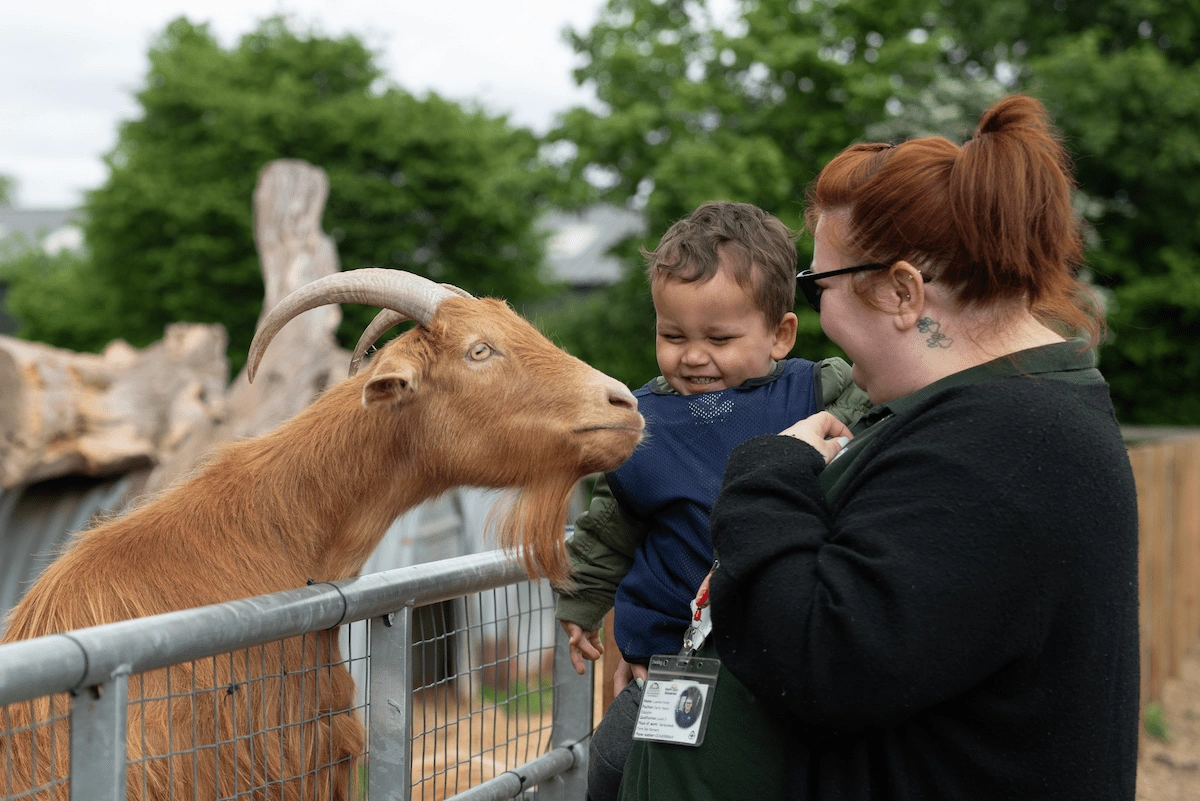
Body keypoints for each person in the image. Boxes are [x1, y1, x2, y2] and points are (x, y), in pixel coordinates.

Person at [619, 95, 1140, 800]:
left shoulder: (1000, 444)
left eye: (817, 283)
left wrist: (764, 472)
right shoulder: (1004, 417)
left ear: (902, 291)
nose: (818, 314)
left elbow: (820, 659)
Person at [553, 201, 871, 801]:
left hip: (784, 645)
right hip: (677, 663)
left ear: (780, 334)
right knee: (620, 766)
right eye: (672, 335)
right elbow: (609, 528)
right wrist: (581, 604)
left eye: (719, 338)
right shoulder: (643, 420)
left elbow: (890, 425)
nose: (693, 356)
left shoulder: (821, 388)